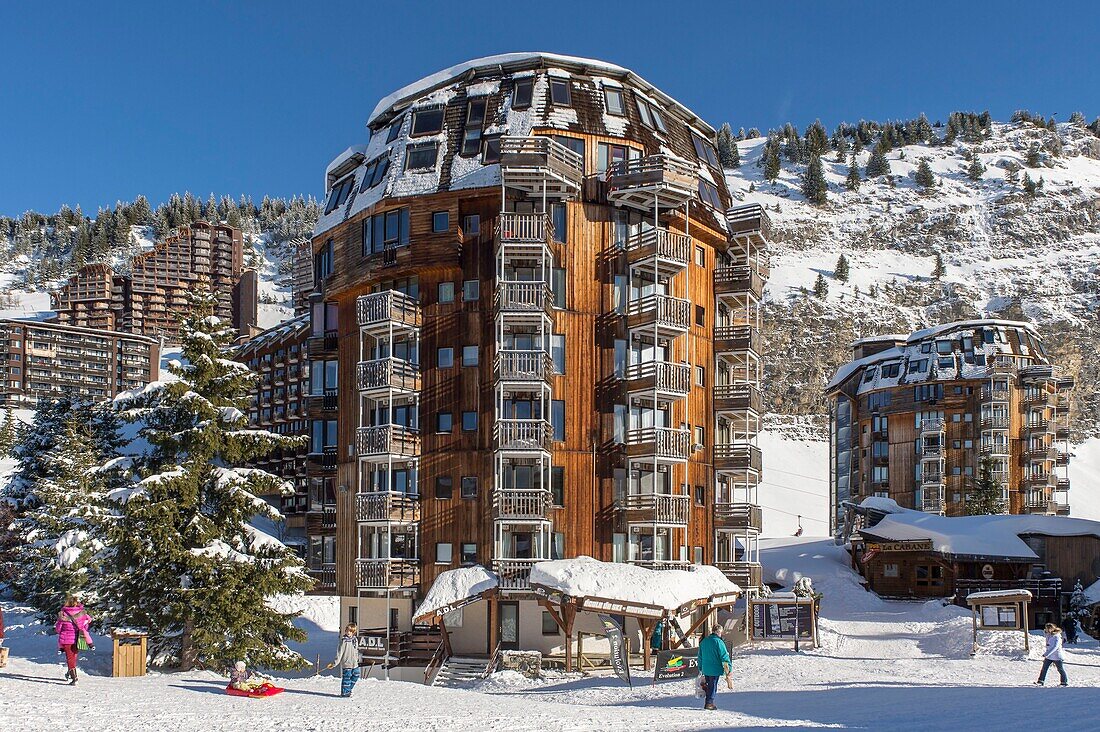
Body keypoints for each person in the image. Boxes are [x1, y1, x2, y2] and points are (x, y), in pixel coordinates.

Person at [54, 595, 94, 685]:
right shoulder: (82, 613)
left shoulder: (62, 614)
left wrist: (60, 623)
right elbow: (87, 623)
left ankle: (74, 677)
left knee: (70, 658)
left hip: (66, 639)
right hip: (78, 638)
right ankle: (70, 672)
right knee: (74, 657)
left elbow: (58, 629)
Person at [698, 625, 732, 711]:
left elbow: (700, 656)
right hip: (715, 668)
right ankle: (709, 703)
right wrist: (728, 669)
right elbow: (724, 656)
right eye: (721, 633)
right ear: (719, 632)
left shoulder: (704, 641)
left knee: (710, 684)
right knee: (713, 686)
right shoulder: (719, 642)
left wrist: (700, 667)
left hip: (706, 668)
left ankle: (707, 697)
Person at [326, 623, 361, 697]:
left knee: (356, 674)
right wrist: (334, 663)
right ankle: (345, 693)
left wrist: (357, 659)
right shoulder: (344, 641)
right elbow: (340, 653)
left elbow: (356, 650)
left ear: (353, 632)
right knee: (347, 678)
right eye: (347, 630)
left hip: (354, 663)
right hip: (347, 663)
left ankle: (348, 689)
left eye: (350, 631)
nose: (348, 632)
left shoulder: (355, 640)